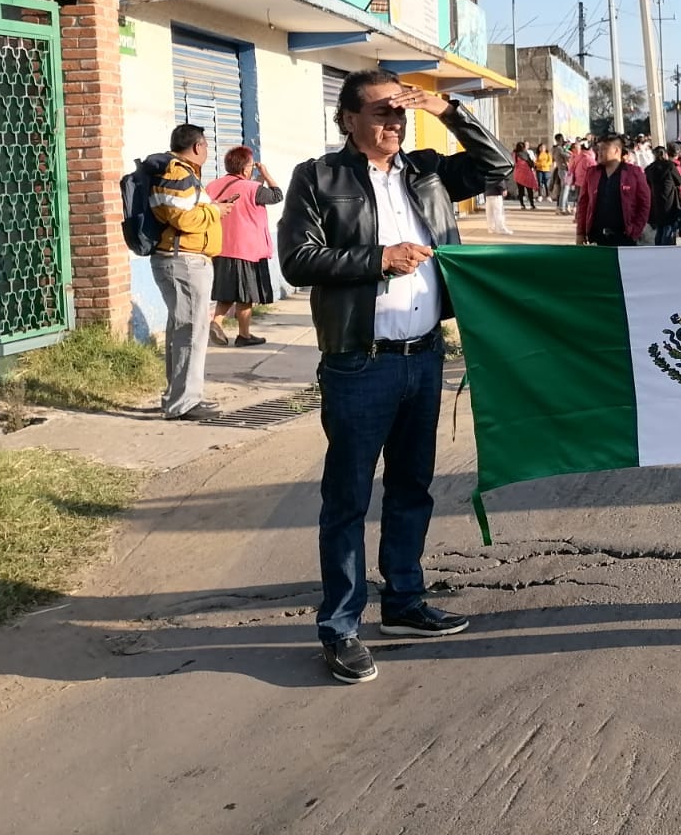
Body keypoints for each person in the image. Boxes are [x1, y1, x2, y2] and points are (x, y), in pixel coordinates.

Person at [278, 69, 513, 685]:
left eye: (401, 112)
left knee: (413, 487)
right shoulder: (319, 177)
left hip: (424, 353)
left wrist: (449, 108)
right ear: (348, 119)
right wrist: (379, 259)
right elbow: (298, 261)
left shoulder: (426, 170)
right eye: (381, 111)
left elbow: (497, 169)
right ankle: (341, 626)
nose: (394, 121)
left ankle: (404, 603)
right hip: (360, 359)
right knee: (349, 497)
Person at [148, 124, 234, 421]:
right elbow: (183, 218)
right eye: (207, 146)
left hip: (181, 260)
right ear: (198, 146)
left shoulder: (179, 173)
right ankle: (184, 403)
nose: (208, 151)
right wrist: (215, 211)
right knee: (191, 333)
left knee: (181, 330)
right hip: (184, 261)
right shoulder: (178, 174)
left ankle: (177, 397)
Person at [206, 146, 283, 348]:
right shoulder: (252, 188)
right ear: (246, 168)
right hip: (247, 249)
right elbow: (276, 195)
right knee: (246, 294)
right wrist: (266, 174)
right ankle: (238, 332)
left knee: (227, 291)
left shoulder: (213, 186)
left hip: (221, 247)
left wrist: (258, 180)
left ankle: (226, 326)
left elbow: (248, 194)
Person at [576, 133, 649, 246]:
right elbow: (583, 204)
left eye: (604, 149)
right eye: (598, 148)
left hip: (625, 237)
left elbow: (644, 204)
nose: (599, 152)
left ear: (616, 151)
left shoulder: (634, 173)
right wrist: (580, 233)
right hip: (596, 237)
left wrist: (635, 230)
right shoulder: (592, 173)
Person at [645, 145, 681, 246]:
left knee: (660, 227)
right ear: (664, 154)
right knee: (668, 226)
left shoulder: (649, 168)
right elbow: (679, 181)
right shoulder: (669, 166)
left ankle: (658, 247)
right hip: (670, 200)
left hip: (656, 200)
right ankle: (665, 249)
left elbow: (647, 183)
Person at [511, 142, 539, 210]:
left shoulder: (514, 154)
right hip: (527, 174)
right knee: (529, 190)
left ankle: (522, 205)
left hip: (518, 174)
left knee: (521, 190)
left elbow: (513, 163)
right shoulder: (526, 153)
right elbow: (531, 163)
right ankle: (532, 205)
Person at [552, 135, 573, 214]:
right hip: (563, 170)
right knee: (565, 189)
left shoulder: (556, 148)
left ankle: (565, 207)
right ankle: (561, 208)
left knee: (565, 189)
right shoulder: (559, 149)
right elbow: (568, 156)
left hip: (562, 170)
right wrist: (568, 149)